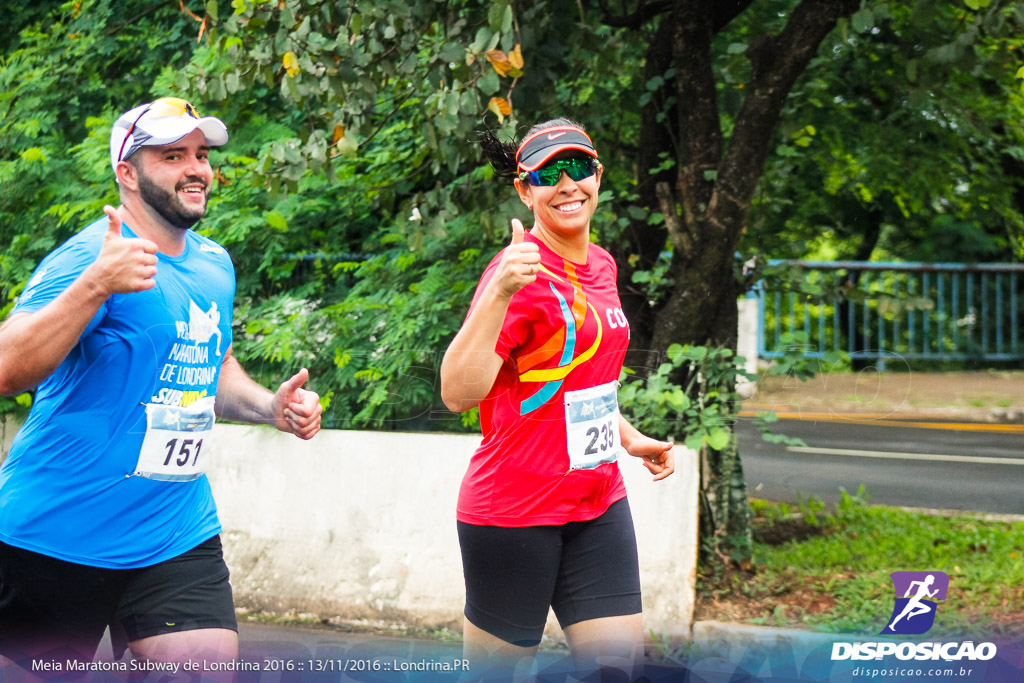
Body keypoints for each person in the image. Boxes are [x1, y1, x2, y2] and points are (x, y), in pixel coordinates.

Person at [0, 97, 323, 672]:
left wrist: (267, 406)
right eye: (173, 156)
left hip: (174, 531)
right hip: (55, 534)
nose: (197, 168)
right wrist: (95, 285)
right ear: (127, 173)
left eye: (201, 155)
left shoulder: (213, 264)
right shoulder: (86, 260)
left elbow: (211, 362)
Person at [440, 119, 676, 679]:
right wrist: (500, 291)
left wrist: (628, 436)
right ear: (525, 189)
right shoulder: (515, 273)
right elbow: (456, 393)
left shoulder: (604, 265)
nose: (567, 185)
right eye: (549, 173)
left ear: (598, 175)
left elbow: (580, 378)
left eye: (578, 169)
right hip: (515, 512)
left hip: (597, 502)